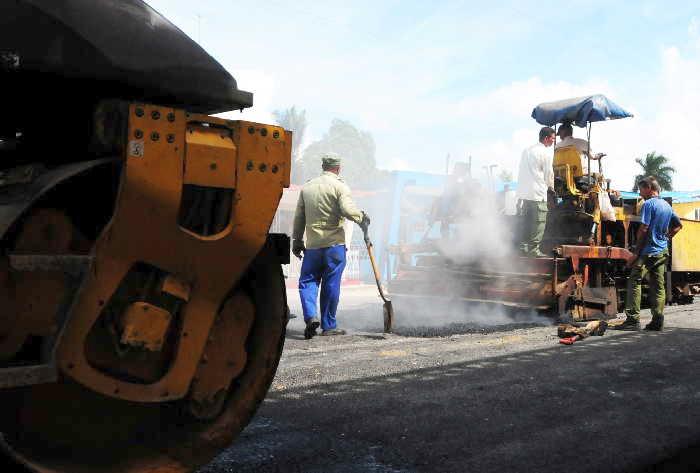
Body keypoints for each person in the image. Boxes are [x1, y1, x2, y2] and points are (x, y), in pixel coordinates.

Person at [292, 153, 370, 339]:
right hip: (334, 246)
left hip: (312, 247)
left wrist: (297, 240)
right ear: (338, 168)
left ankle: (311, 316)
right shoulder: (340, 186)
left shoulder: (307, 187)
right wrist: (361, 218)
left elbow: (299, 217)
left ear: (323, 166)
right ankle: (329, 326)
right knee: (331, 283)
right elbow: (346, 209)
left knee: (307, 281)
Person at [615, 177, 683, 331]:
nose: (640, 193)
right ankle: (657, 320)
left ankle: (632, 320)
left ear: (649, 188)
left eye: (641, 189)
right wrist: (666, 237)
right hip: (662, 252)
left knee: (634, 280)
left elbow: (644, 229)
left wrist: (635, 253)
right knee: (658, 285)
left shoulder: (648, 204)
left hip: (647, 252)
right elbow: (679, 226)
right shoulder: (666, 205)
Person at [516, 127, 556, 257]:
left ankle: (523, 247)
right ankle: (534, 249)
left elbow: (521, 170)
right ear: (546, 138)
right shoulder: (545, 153)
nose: (553, 142)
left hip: (525, 193)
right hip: (538, 193)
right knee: (539, 221)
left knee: (526, 221)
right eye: (552, 139)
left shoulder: (526, 151)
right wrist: (552, 189)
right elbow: (549, 174)